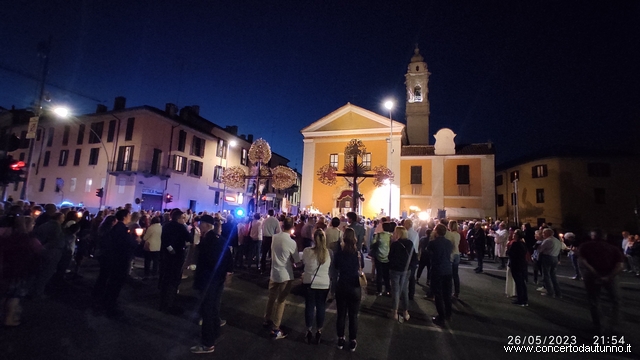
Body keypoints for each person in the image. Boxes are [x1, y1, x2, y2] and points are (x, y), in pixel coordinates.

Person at [190, 215, 233, 354]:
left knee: (207, 310)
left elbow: (208, 261)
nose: (199, 226)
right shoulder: (219, 239)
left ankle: (207, 343)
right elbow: (228, 257)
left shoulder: (208, 240)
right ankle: (215, 333)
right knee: (213, 308)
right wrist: (226, 273)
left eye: (200, 224)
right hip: (217, 279)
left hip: (208, 279)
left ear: (205, 225)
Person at [578, 231, 625, 334]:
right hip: (610, 275)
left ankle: (599, 326)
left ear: (592, 236)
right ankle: (614, 326)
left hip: (591, 276)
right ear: (605, 237)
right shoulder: (614, 248)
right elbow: (620, 265)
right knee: (615, 301)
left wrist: (594, 273)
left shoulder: (585, 246)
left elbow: (583, 261)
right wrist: (609, 276)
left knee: (594, 300)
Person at [1, 215, 41, 326]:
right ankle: (9, 319)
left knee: (6, 295)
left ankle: (4, 316)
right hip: (19, 271)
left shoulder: (8, 236)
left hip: (7, 270)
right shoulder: (27, 239)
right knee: (14, 296)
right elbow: (38, 252)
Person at [264, 217, 300, 339]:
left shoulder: (275, 237)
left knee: (271, 298)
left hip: (274, 272)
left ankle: (267, 318)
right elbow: (296, 260)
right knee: (281, 301)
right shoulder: (291, 242)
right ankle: (275, 328)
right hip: (285, 274)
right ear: (292, 227)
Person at [102, 209, 140, 316]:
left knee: (113, 282)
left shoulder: (117, 227)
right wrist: (136, 241)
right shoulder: (122, 229)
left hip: (115, 258)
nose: (129, 217)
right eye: (128, 215)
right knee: (116, 283)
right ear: (124, 217)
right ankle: (111, 305)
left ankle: (109, 302)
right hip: (120, 259)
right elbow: (126, 243)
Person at [302, 229, 332, 344]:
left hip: (310, 283)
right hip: (324, 283)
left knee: (309, 306)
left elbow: (304, 263)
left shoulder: (307, 251)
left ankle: (308, 330)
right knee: (321, 307)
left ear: (314, 238)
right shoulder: (329, 253)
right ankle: (319, 331)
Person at [333, 227, 361, 352]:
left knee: (341, 315)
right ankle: (353, 340)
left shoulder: (339, 254)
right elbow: (361, 268)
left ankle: (340, 338)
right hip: (355, 286)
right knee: (353, 316)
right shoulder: (358, 254)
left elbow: (336, 267)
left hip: (342, 285)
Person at [159, 209, 191, 314]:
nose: (184, 220)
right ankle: (170, 303)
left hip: (166, 255)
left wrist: (169, 249)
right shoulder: (181, 227)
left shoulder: (166, 226)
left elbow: (164, 240)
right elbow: (189, 238)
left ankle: (163, 300)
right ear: (178, 218)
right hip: (177, 256)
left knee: (166, 277)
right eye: (182, 218)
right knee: (174, 279)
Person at [427, 224, 453, 326]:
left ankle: (441, 317)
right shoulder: (449, 243)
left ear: (436, 231)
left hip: (437, 270)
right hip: (447, 269)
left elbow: (429, 254)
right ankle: (448, 314)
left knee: (438, 294)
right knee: (447, 294)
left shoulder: (432, 243)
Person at [388, 226, 414, 322]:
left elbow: (390, 256)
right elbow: (413, 256)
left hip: (395, 269)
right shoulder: (410, 243)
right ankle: (405, 312)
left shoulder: (395, 244)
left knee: (395, 290)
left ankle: (394, 312)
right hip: (406, 270)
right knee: (404, 290)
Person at [537, 228, 562, 298]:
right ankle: (558, 292)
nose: (543, 235)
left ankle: (550, 292)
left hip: (547, 257)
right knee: (553, 275)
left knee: (546, 276)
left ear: (547, 234)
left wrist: (538, 248)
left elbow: (541, 249)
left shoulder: (547, 240)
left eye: (544, 233)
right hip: (555, 257)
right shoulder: (557, 240)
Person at [507, 230, 529, 306]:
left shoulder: (515, 244)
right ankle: (524, 298)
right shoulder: (523, 243)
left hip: (516, 264)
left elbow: (510, 254)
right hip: (522, 264)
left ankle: (521, 299)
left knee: (519, 282)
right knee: (522, 282)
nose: (513, 235)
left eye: (515, 234)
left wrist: (508, 247)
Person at [372, 222, 392, 296]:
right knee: (386, 274)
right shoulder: (391, 236)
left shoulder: (378, 235)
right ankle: (388, 290)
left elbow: (372, 243)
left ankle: (379, 290)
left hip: (378, 256)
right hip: (387, 257)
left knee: (379, 274)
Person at [404, 219, 420, 300]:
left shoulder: (407, 233)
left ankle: (404, 294)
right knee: (412, 276)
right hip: (415, 255)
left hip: (408, 255)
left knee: (405, 275)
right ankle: (411, 294)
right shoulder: (416, 233)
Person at [261, 209, 281, 273]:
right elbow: (278, 231)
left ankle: (262, 267)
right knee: (272, 254)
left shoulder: (265, 220)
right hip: (272, 238)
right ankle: (271, 268)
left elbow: (262, 228)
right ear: (274, 213)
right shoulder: (276, 220)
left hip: (265, 237)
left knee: (264, 253)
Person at [447, 221, 461, 299]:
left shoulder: (450, 234)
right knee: (455, 275)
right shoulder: (458, 234)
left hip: (451, 254)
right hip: (457, 254)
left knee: (449, 275)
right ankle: (456, 292)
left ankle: (448, 291)